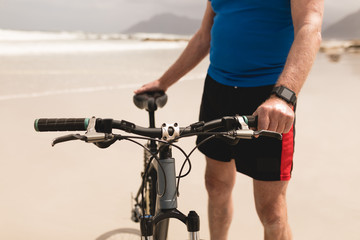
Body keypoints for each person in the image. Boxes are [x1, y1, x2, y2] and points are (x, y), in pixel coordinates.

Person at [135, 0, 323, 239]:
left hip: (268, 96)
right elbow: (205, 36)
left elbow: (310, 27)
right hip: (218, 89)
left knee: (271, 211)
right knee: (215, 185)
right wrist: (164, 82)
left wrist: (284, 96)